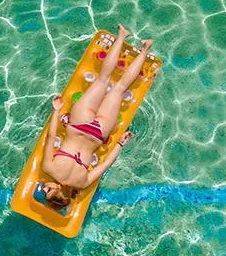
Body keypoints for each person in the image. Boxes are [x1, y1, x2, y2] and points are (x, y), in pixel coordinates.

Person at [38, 25, 154, 210]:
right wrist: (56, 111)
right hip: (78, 124)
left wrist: (121, 143)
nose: (44, 189)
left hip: (98, 134)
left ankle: (146, 47)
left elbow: (107, 162)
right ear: (58, 189)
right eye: (48, 191)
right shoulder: (48, 168)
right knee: (103, 78)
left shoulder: (82, 182)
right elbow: (51, 137)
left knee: (120, 89)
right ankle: (122, 35)